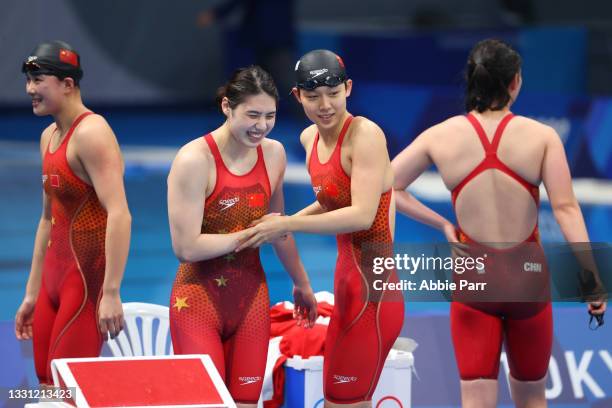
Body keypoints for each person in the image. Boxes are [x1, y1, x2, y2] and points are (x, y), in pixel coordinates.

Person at [391, 39, 607, 408]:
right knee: (532, 399)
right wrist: (591, 278)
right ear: (515, 83)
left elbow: (387, 186)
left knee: (475, 400)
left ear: (472, 81)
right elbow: (567, 209)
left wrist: (442, 223)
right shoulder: (542, 138)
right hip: (527, 277)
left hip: (474, 279)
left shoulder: (440, 137)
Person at [237, 50, 404, 407]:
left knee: (344, 402)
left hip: (373, 296)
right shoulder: (308, 139)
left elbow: (361, 215)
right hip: (347, 290)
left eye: (334, 93)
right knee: (338, 400)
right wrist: (280, 225)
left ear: (349, 88)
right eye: (313, 96)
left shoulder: (365, 135)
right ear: (297, 97)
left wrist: (288, 223)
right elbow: (332, 200)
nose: (324, 105)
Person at [167, 65, 317, 406]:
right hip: (196, 303)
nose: (261, 126)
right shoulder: (194, 160)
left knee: (248, 402)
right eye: (252, 115)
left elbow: (279, 228)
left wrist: (302, 283)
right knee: (207, 403)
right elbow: (186, 247)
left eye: (270, 116)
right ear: (226, 107)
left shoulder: (274, 154)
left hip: (252, 299)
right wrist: (252, 235)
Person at [14, 40, 131, 385]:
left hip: (85, 285)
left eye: (39, 81)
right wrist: (32, 293)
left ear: (67, 84)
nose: (30, 90)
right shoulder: (48, 135)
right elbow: (47, 220)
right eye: (29, 81)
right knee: (44, 382)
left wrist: (110, 292)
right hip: (52, 280)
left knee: (67, 389)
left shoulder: (93, 134)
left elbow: (120, 214)